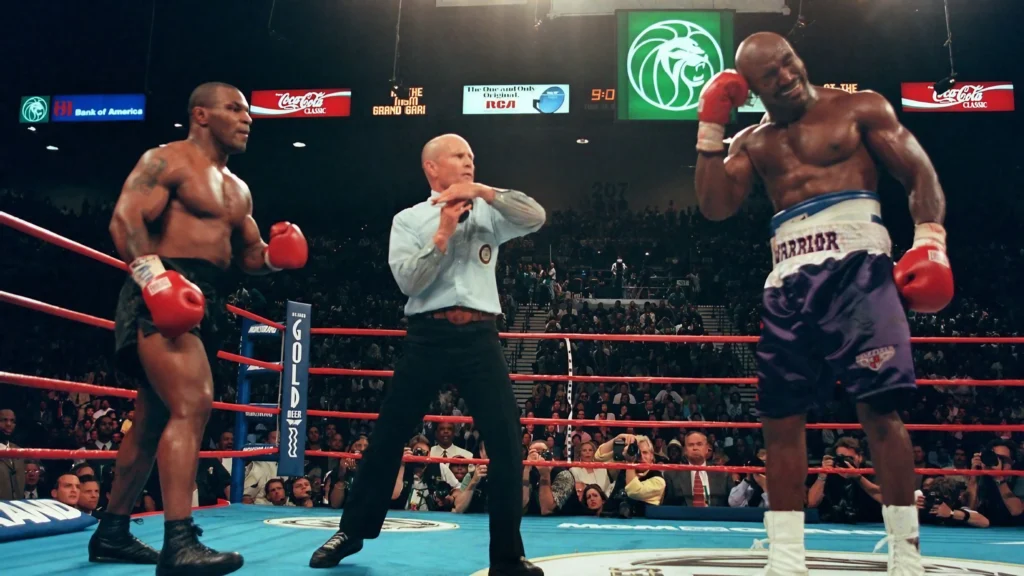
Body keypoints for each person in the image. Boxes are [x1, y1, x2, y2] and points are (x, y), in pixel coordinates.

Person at [694, 32, 953, 575]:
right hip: (788, 279)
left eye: (789, 62)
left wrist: (930, 240)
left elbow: (919, 172)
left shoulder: (858, 107)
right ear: (754, 89)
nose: (787, 75)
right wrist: (710, 127)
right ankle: (787, 557)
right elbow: (716, 206)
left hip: (859, 271)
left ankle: (906, 555)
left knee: (879, 410)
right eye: (772, 75)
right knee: (781, 420)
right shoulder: (752, 141)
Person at [91, 81, 308, 575]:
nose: (246, 118)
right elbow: (125, 221)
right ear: (201, 114)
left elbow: (249, 255)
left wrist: (277, 258)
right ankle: (179, 543)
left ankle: (112, 533)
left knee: (151, 421)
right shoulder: (166, 160)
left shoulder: (237, 189)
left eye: (248, 111)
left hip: (207, 301)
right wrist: (154, 280)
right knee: (193, 404)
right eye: (234, 109)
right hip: (161, 287)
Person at [309, 133, 546, 575]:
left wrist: (481, 192)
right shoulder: (409, 219)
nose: (469, 162)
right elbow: (408, 283)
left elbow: (535, 216)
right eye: (459, 156)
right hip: (426, 335)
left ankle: (507, 558)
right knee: (387, 436)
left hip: (480, 336)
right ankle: (352, 531)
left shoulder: (490, 211)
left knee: (507, 443)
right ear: (432, 168)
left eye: (473, 156)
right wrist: (443, 232)